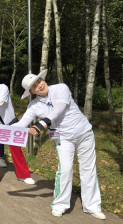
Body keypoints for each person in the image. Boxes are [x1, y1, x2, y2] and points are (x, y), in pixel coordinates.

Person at [13, 70, 105, 220]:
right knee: (65, 170)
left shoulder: (61, 88)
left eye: (39, 81)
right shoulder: (34, 105)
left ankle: (92, 206)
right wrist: (4, 131)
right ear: (31, 92)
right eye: (34, 86)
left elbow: (58, 109)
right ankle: (60, 204)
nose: (39, 85)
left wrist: (39, 125)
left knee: (88, 169)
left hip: (84, 133)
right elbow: (22, 124)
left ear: (43, 79)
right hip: (63, 138)